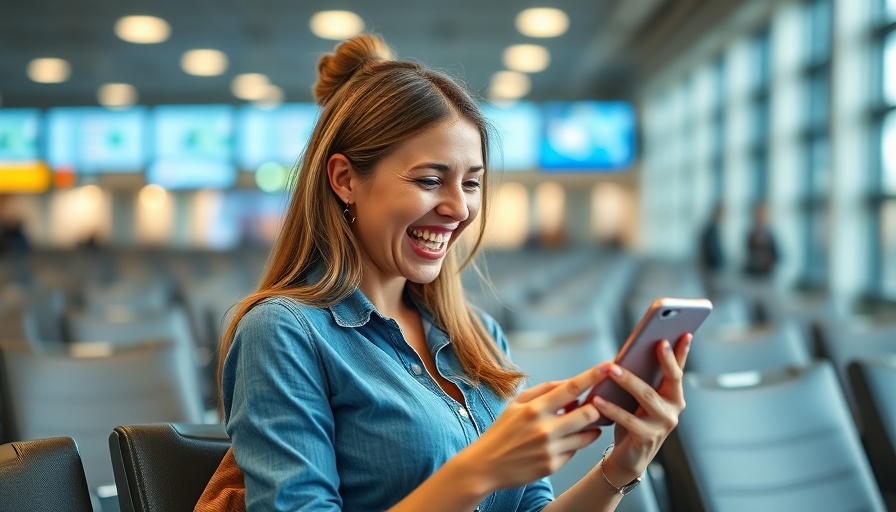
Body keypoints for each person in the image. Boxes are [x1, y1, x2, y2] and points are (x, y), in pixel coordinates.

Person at [197, 34, 691, 512]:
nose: (459, 208)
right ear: (345, 180)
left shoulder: (478, 336)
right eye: (431, 180)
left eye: (471, 183)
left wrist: (622, 467)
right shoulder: (284, 332)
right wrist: (480, 471)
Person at [743, 201, 778, 279]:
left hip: (765, 274)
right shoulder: (751, 233)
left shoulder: (769, 234)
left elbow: (777, 255)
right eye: (758, 214)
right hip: (753, 273)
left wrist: (767, 260)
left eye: (762, 214)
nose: (759, 216)